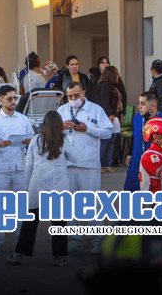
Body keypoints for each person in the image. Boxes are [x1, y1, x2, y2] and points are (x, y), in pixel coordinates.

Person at [56, 82, 113, 254]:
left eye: (76, 95)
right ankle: (75, 237)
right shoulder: (62, 110)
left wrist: (88, 129)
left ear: (83, 93)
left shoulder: (96, 109)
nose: (73, 99)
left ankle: (98, 239)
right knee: (70, 204)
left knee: (92, 203)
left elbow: (108, 132)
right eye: (69, 96)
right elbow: (52, 131)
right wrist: (61, 128)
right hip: (68, 163)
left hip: (89, 163)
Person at [7, 111, 69, 267]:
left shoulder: (36, 140)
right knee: (59, 223)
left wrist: (26, 187)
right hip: (59, 187)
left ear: (45, 124)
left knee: (30, 222)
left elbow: (28, 165)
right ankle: (59, 256)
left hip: (38, 186)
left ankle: (18, 254)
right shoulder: (66, 140)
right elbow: (74, 158)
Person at [0, 85, 35, 253]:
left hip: (21, 165)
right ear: (1, 99)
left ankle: (21, 239)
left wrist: (27, 141)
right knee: (1, 204)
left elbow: (31, 140)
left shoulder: (23, 119)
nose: (13, 102)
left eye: (15, 98)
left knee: (21, 204)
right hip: (2, 167)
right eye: (9, 99)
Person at [124, 92, 162, 191]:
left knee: (152, 200)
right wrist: (129, 153)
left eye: (143, 104)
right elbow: (135, 136)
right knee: (130, 196)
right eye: (139, 103)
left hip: (156, 169)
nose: (139, 107)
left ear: (152, 106)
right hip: (136, 164)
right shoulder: (137, 117)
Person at [96, 65, 125, 173]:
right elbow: (104, 101)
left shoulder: (113, 86)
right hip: (108, 116)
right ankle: (99, 164)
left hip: (114, 115)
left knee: (112, 140)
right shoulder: (105, 85)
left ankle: (106, 163)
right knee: (105, 141)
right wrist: (109, 114)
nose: (118, 75)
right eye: (116, 73)